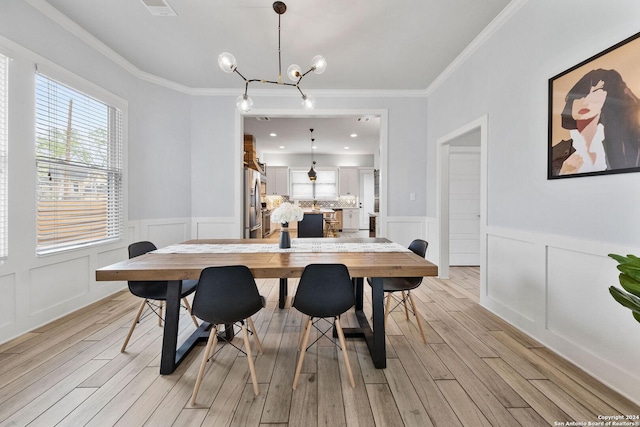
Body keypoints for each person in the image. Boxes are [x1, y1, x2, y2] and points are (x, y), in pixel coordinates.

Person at [551, 68, 640, 176]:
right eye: (581, 95)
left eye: (596, 91)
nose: (585, 100)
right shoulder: (557, 152)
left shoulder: (624, 149)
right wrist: (562, 173)